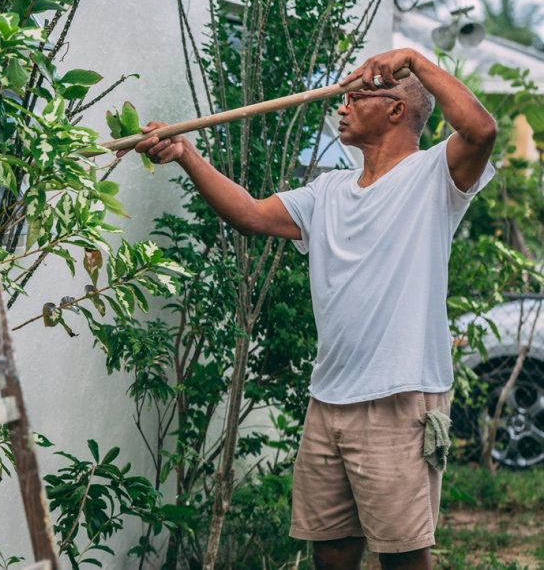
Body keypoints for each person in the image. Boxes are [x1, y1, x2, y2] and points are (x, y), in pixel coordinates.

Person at [122, 48, 496, 569]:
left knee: (404, 558)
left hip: (400, 398)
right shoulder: (329, 192)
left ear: (395, 110)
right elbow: (250, 214)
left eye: (356, 96)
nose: (341, 107)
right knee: (332, 551)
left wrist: (412, 60)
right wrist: (186, 153)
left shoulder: (434, 177)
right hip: (329, 401)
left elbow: (481, 131)